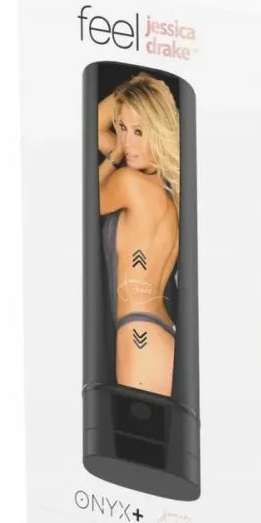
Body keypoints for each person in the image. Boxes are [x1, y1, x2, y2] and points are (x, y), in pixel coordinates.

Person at [96, 73, 180, 397]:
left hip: (139, 338)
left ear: (157, 131)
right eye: (122, 128)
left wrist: (114, 155)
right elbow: (95, 128)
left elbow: (84, 197)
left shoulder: (130, 184)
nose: (127, 142)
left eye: (139, 132)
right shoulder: (171, 193)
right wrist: (135, 87)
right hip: (159, 333)